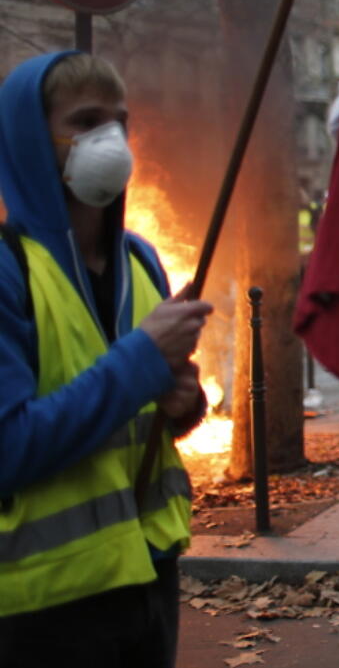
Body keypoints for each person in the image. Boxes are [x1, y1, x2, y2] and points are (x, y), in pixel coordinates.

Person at [0, 52, 214, 666]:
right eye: (86, 121)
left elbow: (153, 413)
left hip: (150, 574)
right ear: (28, 139)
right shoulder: (8, 271)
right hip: (47, 603)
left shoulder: (141, 259)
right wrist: (141, 363)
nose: (111, 141)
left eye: (120, 121)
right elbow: (9, 447)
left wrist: (185, 404)